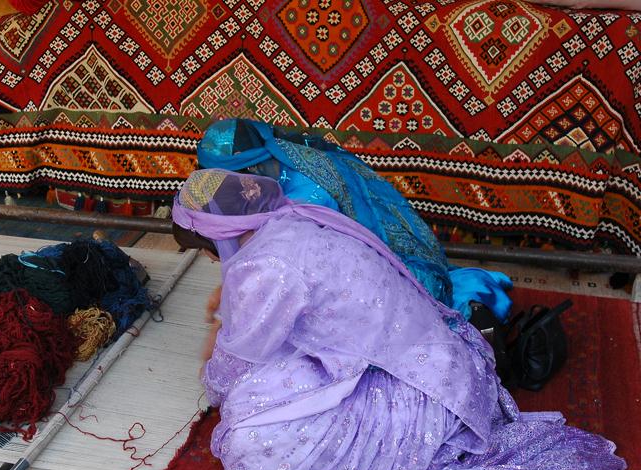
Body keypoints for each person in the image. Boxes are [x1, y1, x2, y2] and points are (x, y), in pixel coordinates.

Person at [172, 168, 626, 470]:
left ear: (218, 238)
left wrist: (218, 391)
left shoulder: (265, 265)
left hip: (415, 392)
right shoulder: (295, 219)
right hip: (445, 364)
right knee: (274, 376)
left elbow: (239, 358)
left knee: (249, 438)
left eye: (211, 254)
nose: (217, 263)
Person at [197, 118, 512, 323]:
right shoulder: (267, 170)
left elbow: (303, 262)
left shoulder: (307, 196)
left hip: (364, 263)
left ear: (251, 169)